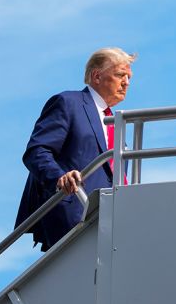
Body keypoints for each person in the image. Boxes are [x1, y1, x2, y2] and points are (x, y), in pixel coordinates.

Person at [14, 47, 135, 251]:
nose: (126, 83)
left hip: (111, 221)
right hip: (74, 212)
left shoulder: (117, 124)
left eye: (129, 77)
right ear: (97, 76)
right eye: (120, 75)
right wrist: (59, 177)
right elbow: (37, 151)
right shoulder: (69, 103)